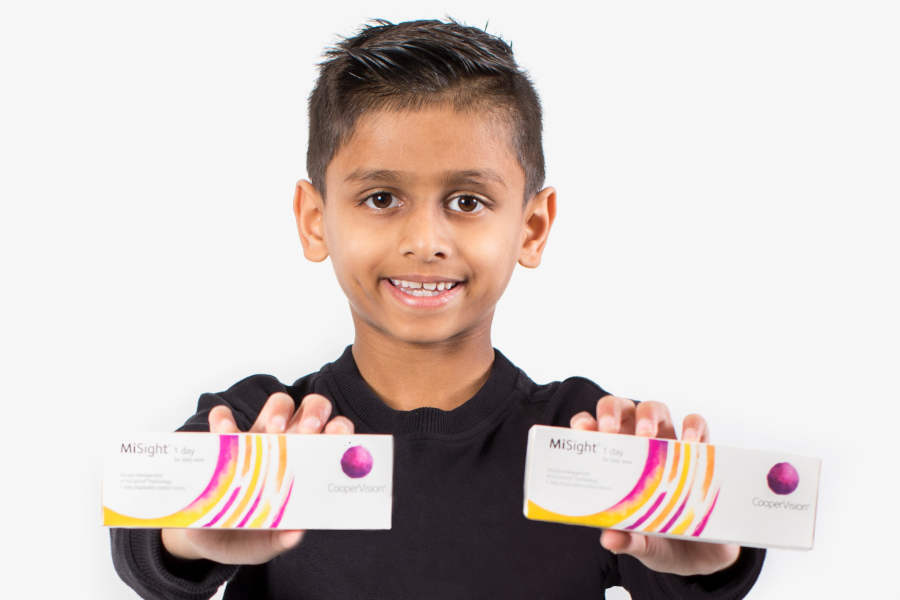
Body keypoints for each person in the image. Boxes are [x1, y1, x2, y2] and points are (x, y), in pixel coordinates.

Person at [110, 17, 765, 599]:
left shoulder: (586, 439)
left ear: (532, 228)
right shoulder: (261, 430)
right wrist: (198, 528)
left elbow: (699, 569)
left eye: (468, 201)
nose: (425, 242)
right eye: (381, 198)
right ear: (315, 221)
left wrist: (708, 552)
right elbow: (149, 541)